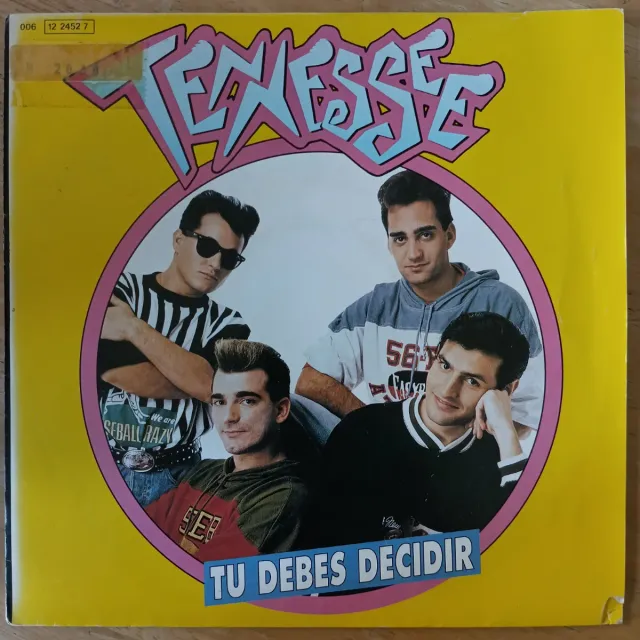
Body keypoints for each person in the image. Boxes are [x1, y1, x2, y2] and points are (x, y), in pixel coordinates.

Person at [294, 170, 542, 444]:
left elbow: (529, 411)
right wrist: (377, 427)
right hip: (386, 455)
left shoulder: (501, 304)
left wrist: (458, 447)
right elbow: (311, 381)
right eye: (400, 238)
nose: (413, 254)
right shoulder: (375, 306)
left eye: (425, 235)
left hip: (459, 461)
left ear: (449, 235)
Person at [306, 312, 531, 549]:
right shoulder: (361, 431)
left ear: (506, 391)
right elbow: (324, 550)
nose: (447, 390)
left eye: (472, 381)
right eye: (445, 365)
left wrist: (506, 432)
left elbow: (524, 549)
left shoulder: (504, 456)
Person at [98, 190, 259, 507]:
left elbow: (208, 385)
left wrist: (133, 328)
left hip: (179, 475)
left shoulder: (229, 324)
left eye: (229, 258)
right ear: (178, 239)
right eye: (207, 246)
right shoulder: (120, 290)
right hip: (102, 465)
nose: (216, 263)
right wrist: (192, 376)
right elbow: (113, 370)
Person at [145, 339, 308, 561]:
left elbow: (194, 578)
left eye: (247, 401)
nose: (229, 417)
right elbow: (134, 535)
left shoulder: (282, 498)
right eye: (219, 402)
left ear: (280, 410)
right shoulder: (203, 471)